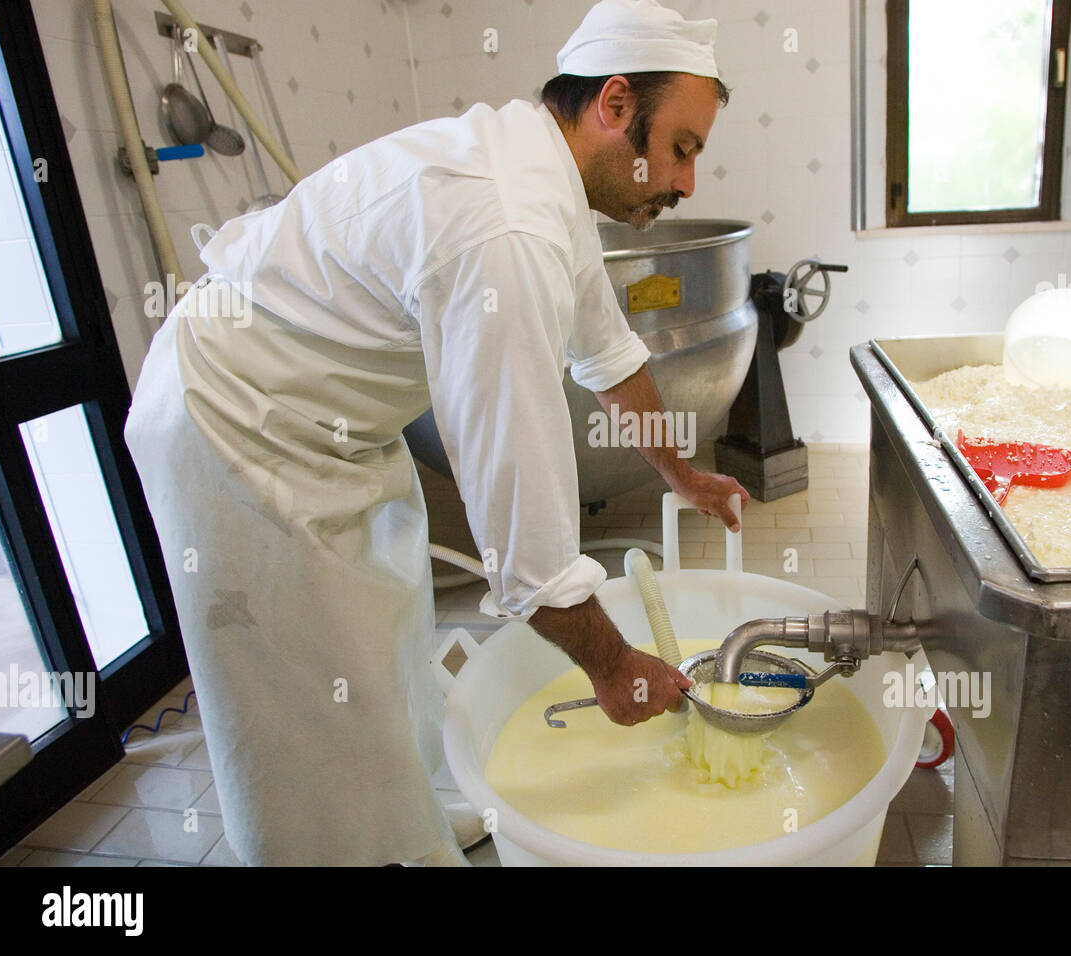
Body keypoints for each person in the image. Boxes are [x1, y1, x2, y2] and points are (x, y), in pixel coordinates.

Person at [123, 0, 745, 866]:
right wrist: (611, 666)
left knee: (377, 660)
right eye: (681, 147)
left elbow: (606, 353)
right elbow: (523, 541)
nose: (685, 181)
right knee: (300, 704)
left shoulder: (544, 185)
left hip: (329, 422)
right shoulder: (507, 223)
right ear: (613, 104)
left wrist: (681, 473)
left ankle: (402, 832)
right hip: (235, 418)